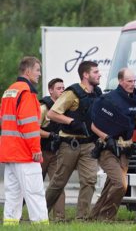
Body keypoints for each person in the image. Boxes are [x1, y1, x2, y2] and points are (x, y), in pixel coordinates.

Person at [89, 68, 136, 221]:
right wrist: (106, 137)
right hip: (107, 148)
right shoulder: (108, 100)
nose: (132, 84)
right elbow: (93, 125)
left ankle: (93, 217)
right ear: (120, 81)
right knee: (120, 184)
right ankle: (106, 218)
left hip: (125, 150)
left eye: (134, 81)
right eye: (129, 81)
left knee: (111, 185)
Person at [45, 61, 102, 220]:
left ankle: (81, 219)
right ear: (86, 75)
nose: (99, 74)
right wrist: (71, 122)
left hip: (89, 144)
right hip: (69, 144)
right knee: (58, 183)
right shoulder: (72, 93)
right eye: (96, 72)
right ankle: (41, 214)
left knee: (90, 181)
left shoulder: (97, 93)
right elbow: (52, 114)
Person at [0, 56, 49, 225]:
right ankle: (41, 225)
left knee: (13, 194)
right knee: (35, 193)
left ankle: (10, 224)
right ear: (28, 71)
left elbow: (4, 121)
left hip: (9, 152)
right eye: (37, 70)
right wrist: (36, 150)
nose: (39, 74)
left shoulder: (9, 91)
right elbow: (29, 126)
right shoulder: (26, 93)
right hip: (25, 153)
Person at [39, 78, 66, 221]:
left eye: (63, 88)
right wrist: (50, 135)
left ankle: (59, 218)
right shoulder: (43, 108)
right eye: (58, 88)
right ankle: (18, 214)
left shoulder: (64, 107)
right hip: (40, 153)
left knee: (58, 184)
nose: (62, 91)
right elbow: (34, 130)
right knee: (34, 187)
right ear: (50, 90)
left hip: (56, 153)